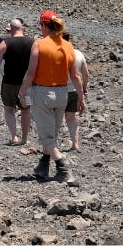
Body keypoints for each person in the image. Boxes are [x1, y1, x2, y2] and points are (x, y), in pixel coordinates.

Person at [18, 10, 85, 182]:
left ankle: (63, 168)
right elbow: (76, 76)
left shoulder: (39, 44)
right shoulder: (68, 46)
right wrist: (80, 97)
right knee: (52, 135)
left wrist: (22, 91)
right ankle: (43, 165)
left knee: (47, 138)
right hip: (62, 94)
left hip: (42, 93)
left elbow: (31, 73)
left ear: (44, 26)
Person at [0, 18, 34, 145]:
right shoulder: (33, 42)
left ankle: (13, 136)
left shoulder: (5, 43)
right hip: (26, 83)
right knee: (26, 110)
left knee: (8, 109)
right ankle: (25, 138)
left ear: (11, 28)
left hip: (9, 83)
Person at [62, 31, 88, 151]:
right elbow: (85, 74)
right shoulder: (78, 53)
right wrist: (83, 88)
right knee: (71, 118)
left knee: (54, 118)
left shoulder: (57, 53)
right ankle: (75, 143)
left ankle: (52, 145)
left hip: (58, 90)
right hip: (74, 90)